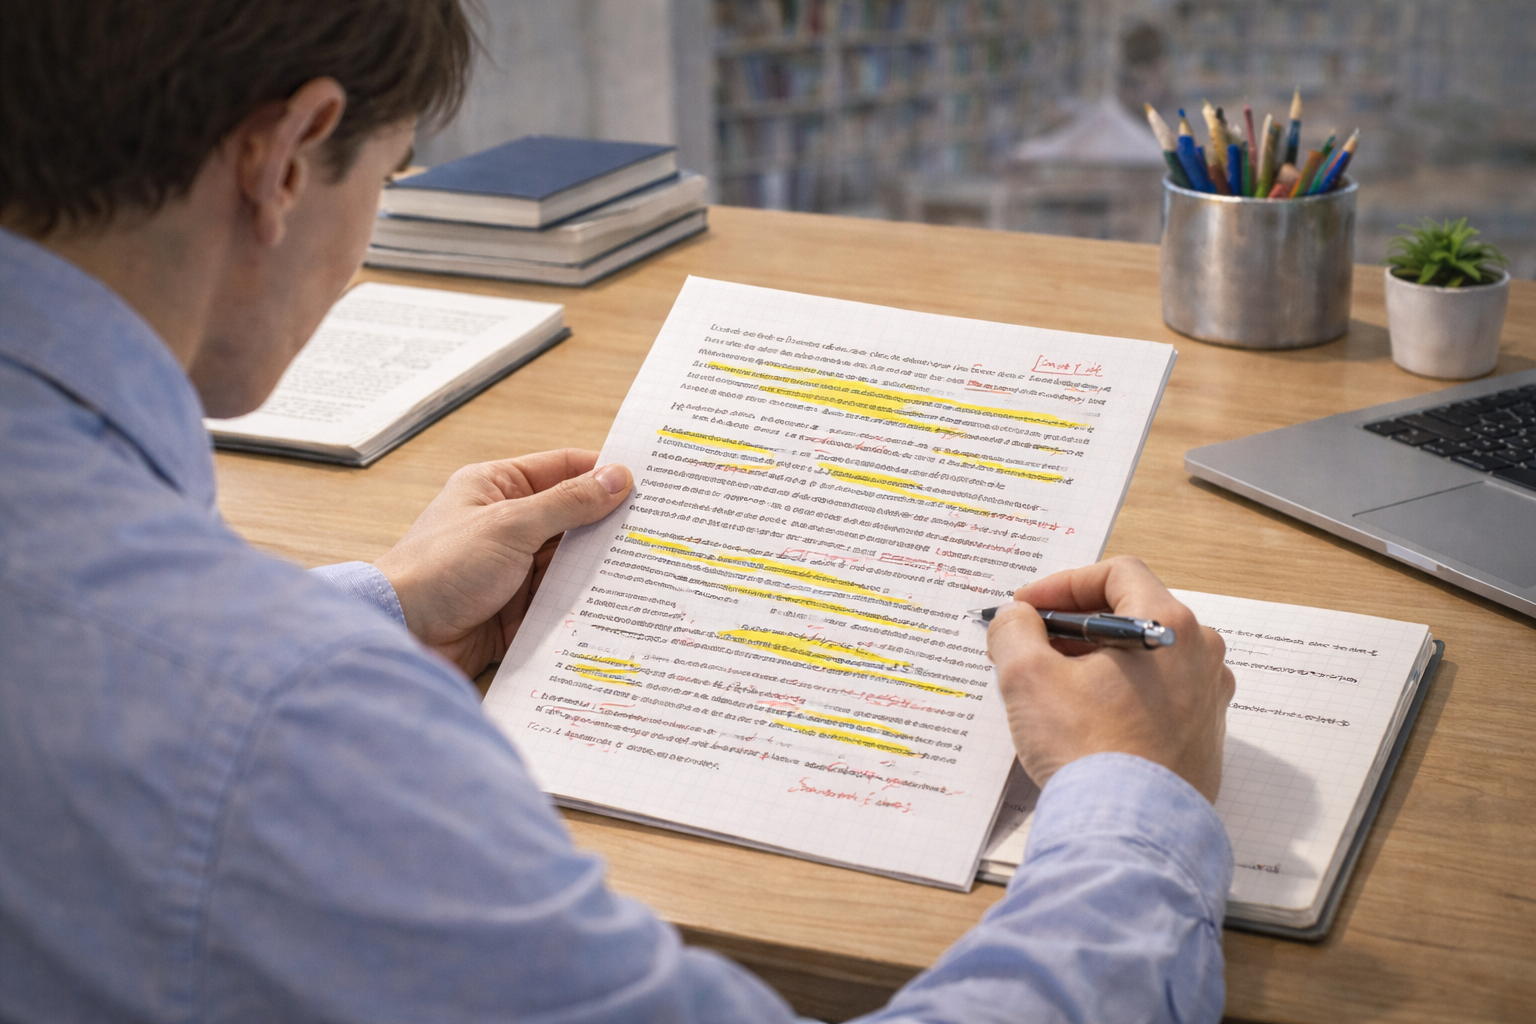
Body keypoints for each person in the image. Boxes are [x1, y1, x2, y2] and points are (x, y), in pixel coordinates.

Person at [0, 2, 1237, 1021]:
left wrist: (387, 603)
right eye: (391, 171)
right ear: (286, 157)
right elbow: (216, 717)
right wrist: (1131, 794)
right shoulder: (292, 725)